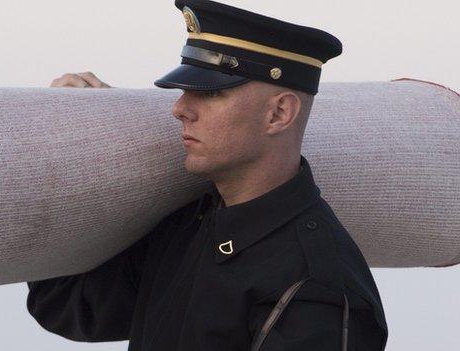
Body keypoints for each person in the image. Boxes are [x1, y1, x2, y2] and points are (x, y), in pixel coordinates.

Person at [26, 0, 389, 350]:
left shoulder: (316, 288)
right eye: (186, 90)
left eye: (211, 92)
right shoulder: (190, 226)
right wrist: (66, 143)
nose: (180, 108)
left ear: (279, 114)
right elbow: (69, 305)